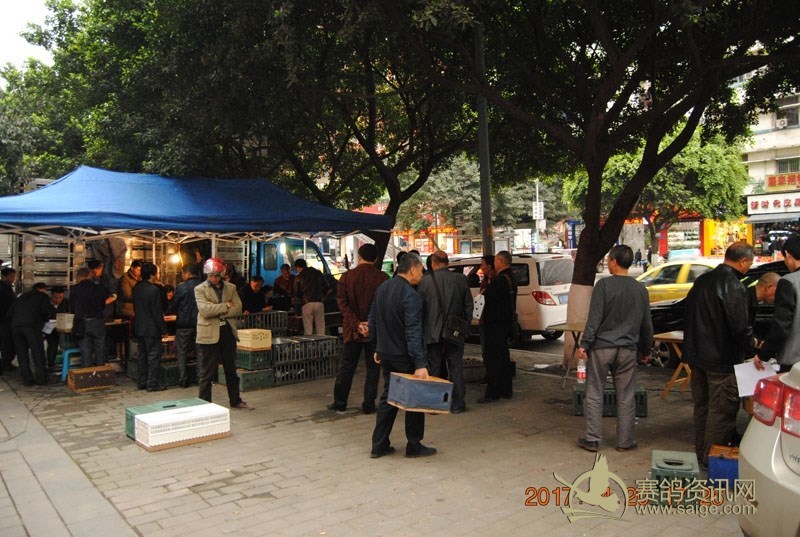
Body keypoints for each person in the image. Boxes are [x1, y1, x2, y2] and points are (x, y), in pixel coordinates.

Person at [575, 245, 653, 452]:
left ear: (614, 262)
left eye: (609, 259)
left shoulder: (603, 286)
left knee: (594, 392)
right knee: (626, 395)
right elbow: (646, 324)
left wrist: (585, 344)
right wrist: (646, 350)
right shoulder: (640, 289)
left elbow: (594, 319)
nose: (608, 262)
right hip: (627, 350)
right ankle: (625, 441)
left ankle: (592, 439)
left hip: (602, 348)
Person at [684, 242, 755, 467]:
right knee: (721, 413)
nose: (749, 268)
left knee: (702, 408)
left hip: (698, 357)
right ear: (743, 261)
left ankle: (701, 453)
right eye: (749, 263)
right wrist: (752, 349)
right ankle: (711, 459)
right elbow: (740, 327)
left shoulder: (702, 281)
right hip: (722, 361)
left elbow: (688, 316)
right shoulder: (734, 285)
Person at [369, 252, 436, 459]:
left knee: (389, 398)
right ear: (412, 269)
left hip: (387, 353)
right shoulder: (411, 296)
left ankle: (379, 444)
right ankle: (414, 444)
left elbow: (372, 320)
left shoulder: (382, 288)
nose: (422, 275)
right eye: (421, 271)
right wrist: (420, 363)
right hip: (404, 356)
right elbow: (413, 331)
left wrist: (377, 347)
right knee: (414, 399)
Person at [327, 243, 388, 414]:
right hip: (374, 331)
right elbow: (383, 305)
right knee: (373, 369)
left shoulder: (346, 277)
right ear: (376, 259)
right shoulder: (383, 278)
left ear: (359, 257)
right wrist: (369, 323)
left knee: (347, 366)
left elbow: (343, 304)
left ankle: (340, 403)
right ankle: (368, 405)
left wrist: (357, 324)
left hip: (352, 330)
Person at [417, 251, 473, 414]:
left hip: (432, 331)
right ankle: (458, 403)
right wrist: (464, 325)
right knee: (455, 366)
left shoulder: (425, 281)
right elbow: (468, 306)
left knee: (434, 367)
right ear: (447, 262)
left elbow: (420, 309)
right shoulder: (461, 279)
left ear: (433, 263)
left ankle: (435, 404)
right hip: (454, 331)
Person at [195, 257, 253, 410]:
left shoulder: (231, 288)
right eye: (211, 275)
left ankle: (235, 400)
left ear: (222, 275)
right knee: (207, 372)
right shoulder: (200, 289)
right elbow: (204, 311)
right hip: (208, 333)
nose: (213, 278)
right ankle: (204, 404)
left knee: (231, 369)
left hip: (227, 331)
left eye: (216, 275)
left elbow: (238, 308)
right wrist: (226, 305)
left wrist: (216, 309)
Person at [756, 236, 800, 373]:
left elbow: (781, 325)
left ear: (787, 254)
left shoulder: (789, 282)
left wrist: (764, 355)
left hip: (794, 363)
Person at [479, 250, 515, 403]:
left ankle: (493, 392)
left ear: (499, 262)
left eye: (495, 261)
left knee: (494, 358)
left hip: (496, 325)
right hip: (505, 323)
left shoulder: (500, 280)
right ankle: (506, 389)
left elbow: (487, 297)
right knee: (503, 357)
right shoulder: (511, 277)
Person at [9, 283, 55, 386]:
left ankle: (27, 380)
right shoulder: (43, 296)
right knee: (37, 353)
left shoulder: (22, 297)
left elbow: (9, 313)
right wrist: (45, 319)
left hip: (15, 327)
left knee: (22, 354)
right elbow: (45, 311)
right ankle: (42, 379)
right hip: (31, 327)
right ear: (43, 290)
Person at [70, 264, 117, 367]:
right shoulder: (99, 288)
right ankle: (100, 370)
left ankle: (87, 372)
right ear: (90, 275)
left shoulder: (74, 289)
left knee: (85, 350)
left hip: (82, 322)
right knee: (100, 347)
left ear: (78, 276)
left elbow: (72, 308)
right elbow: (102, 305)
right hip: (97, 321)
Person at [133, 263, 168, 391]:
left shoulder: (136, 288)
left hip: (139, 327)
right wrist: (163, 329)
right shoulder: (153, 290)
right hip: (152, 329)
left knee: (142, 356)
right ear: (153, 274)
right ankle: (152, 384)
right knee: (153, 357)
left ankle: (142, 381)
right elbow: (157, 312)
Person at [173, 263, 201, 387]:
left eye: (182, 273)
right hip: (199, 323)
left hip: (184, 324)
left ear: (188, 273)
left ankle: (183, 380)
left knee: (182, 352)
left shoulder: (181, 287)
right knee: (200, 351)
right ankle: (200, 378)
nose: (182, 276)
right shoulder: (203, 286)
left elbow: (174, 304)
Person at [293, 258, 327, 335]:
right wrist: (323, 297)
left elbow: (296, 292)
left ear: (298, 267)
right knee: (321, 327)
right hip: (319, 303)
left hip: (306, 304)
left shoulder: (299, 277)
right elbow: (327, 287)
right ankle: (322, 341)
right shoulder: (318, 273)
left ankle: (309, 342)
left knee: (308, 329)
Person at [748, 272, 780, 341]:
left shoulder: (747, 298)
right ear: (769, 287)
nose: (779, 297)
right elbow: (739, 331)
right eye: (779, 291)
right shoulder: (743, 300)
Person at [45, 286, 70, 372]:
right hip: (50, 328)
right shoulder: (45, 303)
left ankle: (67, 363)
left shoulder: (66, 302)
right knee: (52, 344)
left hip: (64, 328)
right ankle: (50, 365)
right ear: (51, 295)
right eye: (56, 297)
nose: (58, 300)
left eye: (61, 297)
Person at [0, 268, 17, 373]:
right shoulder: (2, 288)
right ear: (4, 276)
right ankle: (5, 365)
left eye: (14, 276)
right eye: (11, 276)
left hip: (8, 320)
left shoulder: (8, 287)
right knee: (6, 343)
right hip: (3, 320)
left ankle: (6, 363)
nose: (13, 278)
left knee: (8, 343)